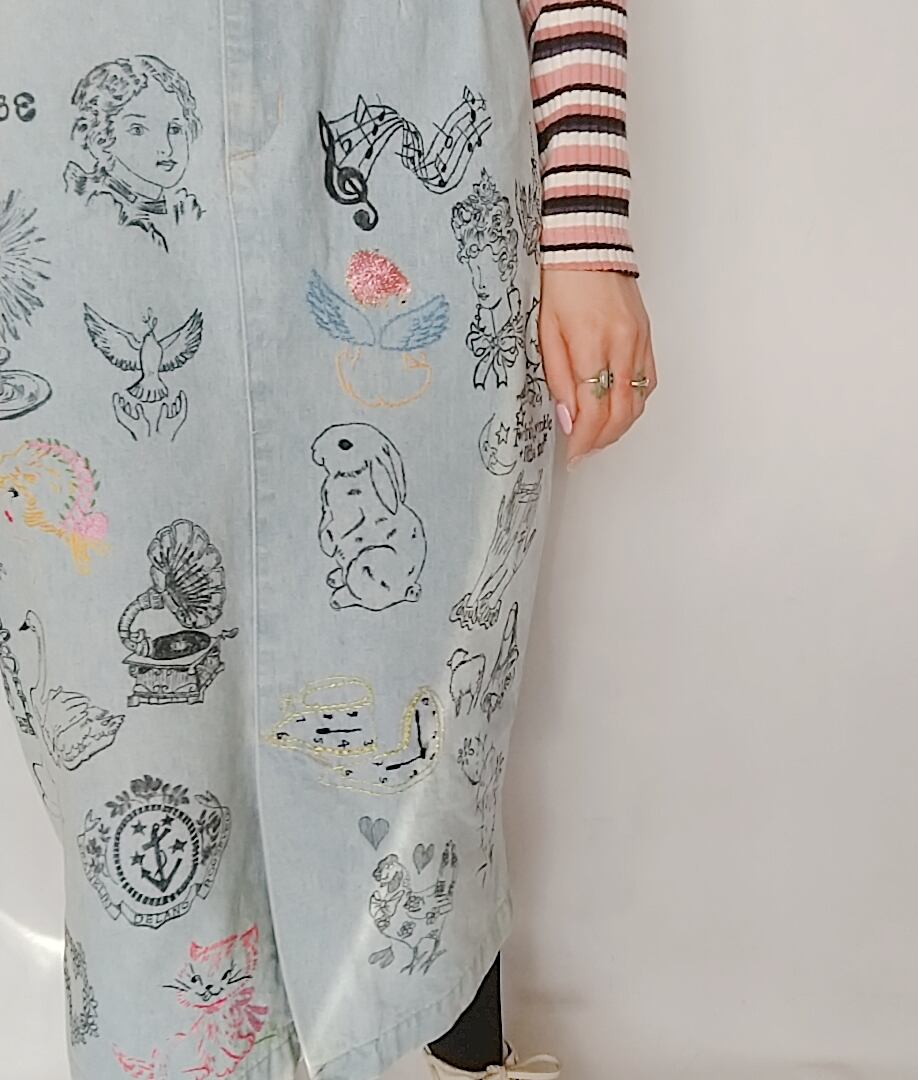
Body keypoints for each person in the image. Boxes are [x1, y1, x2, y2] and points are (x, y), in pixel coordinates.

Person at [0, 1, 655, 1078]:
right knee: (131, 723)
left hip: (396, 73)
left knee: (423, 699)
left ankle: (451, 1057)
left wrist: (590, 222)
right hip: (69, 90)